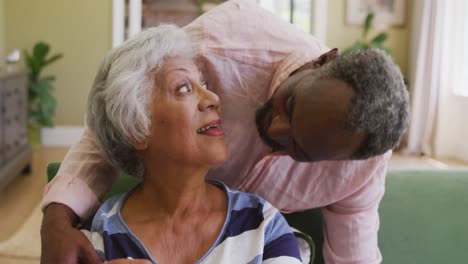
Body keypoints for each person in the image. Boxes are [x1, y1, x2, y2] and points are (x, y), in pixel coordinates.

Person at [40, 0, 409, 263]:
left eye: (298, 149)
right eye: (291, 105)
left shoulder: (270, 231)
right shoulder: (221, 44)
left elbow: (353, 255)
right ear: (323, 60)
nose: (274, 129)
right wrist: (56, 221)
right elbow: (120, 112)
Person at [79, 25, 302, 263]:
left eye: (204, 85)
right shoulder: (100, 235)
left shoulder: (263, 225)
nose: (213, 99)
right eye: (184, 88)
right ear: (137, 129)